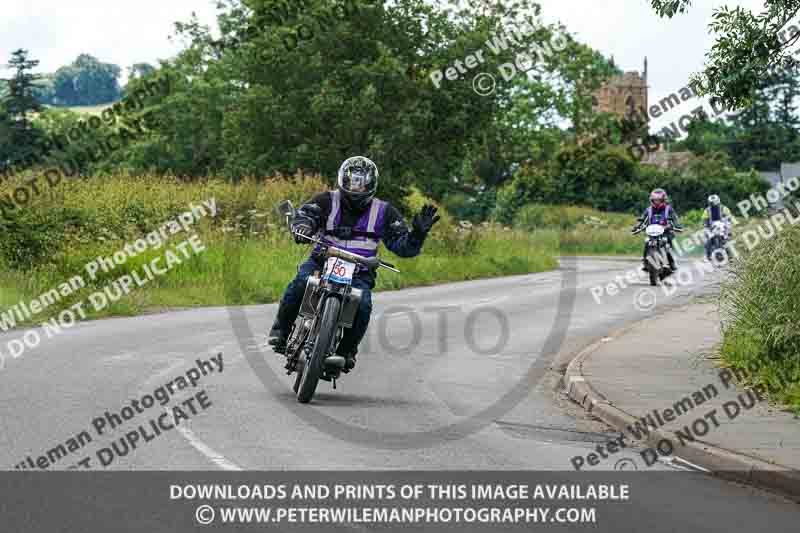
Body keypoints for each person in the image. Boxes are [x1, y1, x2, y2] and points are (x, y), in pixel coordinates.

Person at [268, 156, 440, 372]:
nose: (356, 187)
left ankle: (346, 351)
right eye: (352, 181)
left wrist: (417, 234)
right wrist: (302, 227)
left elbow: (404, 247)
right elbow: (306, 215)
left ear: (371, 184)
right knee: (301, 282)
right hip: (322, 261)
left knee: (364, 303)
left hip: (360, 271)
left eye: (362, 182)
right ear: (343, 179)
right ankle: (280, 331)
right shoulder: (327, 200)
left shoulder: (385, 211)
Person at [632, 188, 681, 272]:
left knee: (668, 244)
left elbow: (675, 218)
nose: (657, 202)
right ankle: (645, 262)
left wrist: (677, 225)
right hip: (652, 232)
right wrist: (636, 226)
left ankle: (672, 263)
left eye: (659, 200)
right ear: (652, 200)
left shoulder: (669, 209)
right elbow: (641, 219)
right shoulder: (649, 209)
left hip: (666, 231)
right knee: (647, 242)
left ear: (663, 200)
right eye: (655, 200)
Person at [702, 194, 733, 260]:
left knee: (726, 240)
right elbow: (704, 220)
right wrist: (706, 225)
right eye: (711, 203)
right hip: (711, 227)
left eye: (714, 202)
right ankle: (707, 255)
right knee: (707, 240)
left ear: (718, 201)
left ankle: (730, 256)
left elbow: (729, 217)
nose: (713, 204)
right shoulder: (707, 210)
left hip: (723, 226)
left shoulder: (724, 208)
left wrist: (728, 225)